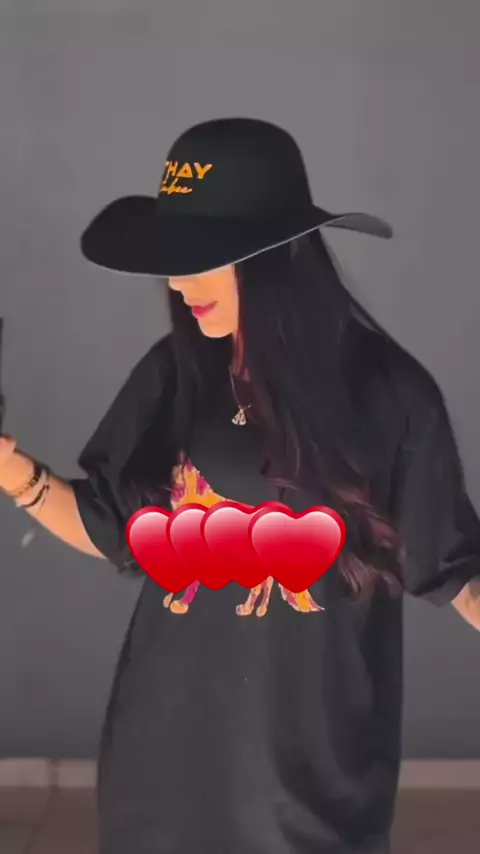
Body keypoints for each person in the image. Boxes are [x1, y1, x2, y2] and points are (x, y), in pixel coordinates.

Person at [1, 117, 479, 854]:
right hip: (160, 763)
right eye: (174, 260)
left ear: (279, 252)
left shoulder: (388, 394)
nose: (178, 282)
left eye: (203, 260)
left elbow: (456, 571)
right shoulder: (176, 373)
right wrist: (12, 471)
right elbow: (111, 526)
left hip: (310, 782)